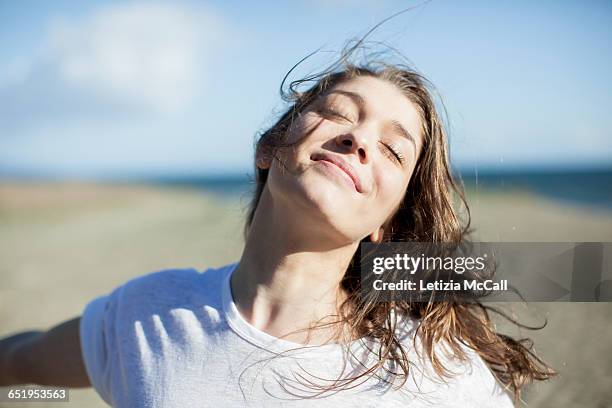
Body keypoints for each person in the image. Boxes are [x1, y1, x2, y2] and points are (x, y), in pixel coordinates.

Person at [0, 45, 554, 407]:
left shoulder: (445, 379)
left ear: (388, 222)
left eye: (392, 149)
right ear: (270, 146)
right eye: (339, 112)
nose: (360, 140)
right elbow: (21, 365)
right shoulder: (147, 316)